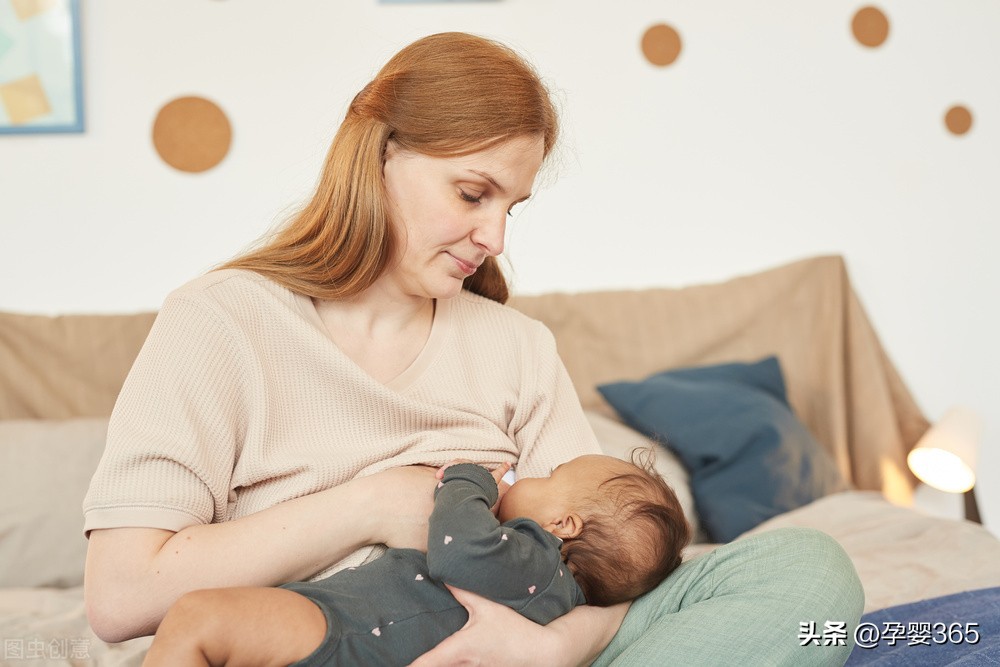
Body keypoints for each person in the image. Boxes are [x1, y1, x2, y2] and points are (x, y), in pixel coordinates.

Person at [83, 31, 863, 665]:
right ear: (381, 154)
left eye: (511, 207)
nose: (493, 238)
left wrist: (548, 647)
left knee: (804, 568)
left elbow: (609, 565)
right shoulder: (220, 323)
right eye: (472, 192)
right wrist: (373, 504)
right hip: (331, 641)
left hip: (518, 644)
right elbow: (121, 598)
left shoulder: (516, 346)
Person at [142, 454, 691, 666]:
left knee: (196, 618)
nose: (533, 477)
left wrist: (468, 480)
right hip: (356, 632)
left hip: (355, 633)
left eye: (549, 479)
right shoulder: (547, 595)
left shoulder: (533, 561)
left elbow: (460, 550)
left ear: (562, 526)